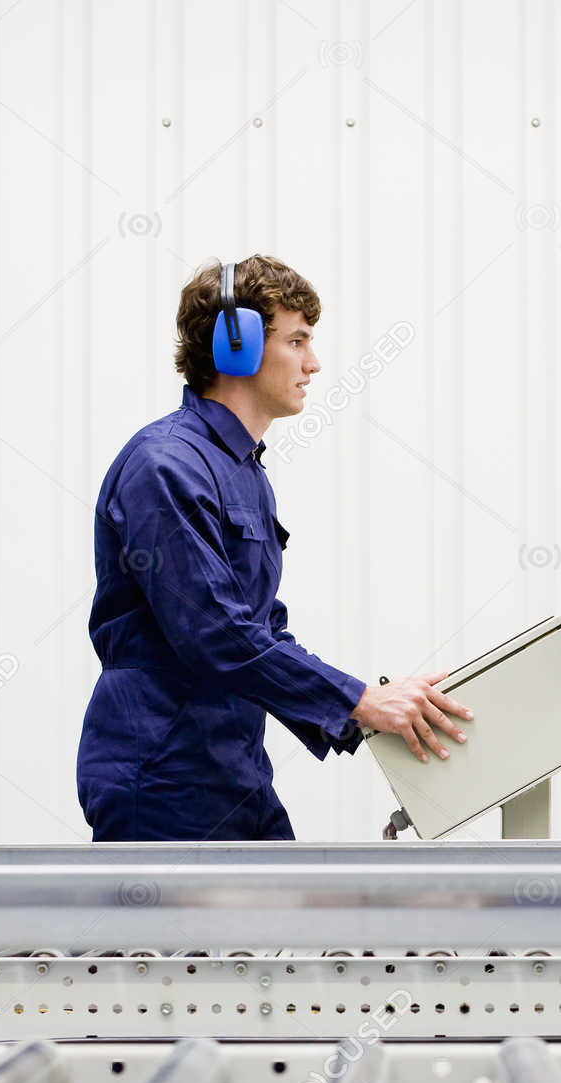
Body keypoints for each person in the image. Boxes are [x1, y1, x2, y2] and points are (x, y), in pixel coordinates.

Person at [76, 253, 472, 841]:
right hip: (164, 773)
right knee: (188, 937)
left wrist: (368, 713)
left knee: (284, 927)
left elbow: (261, 629)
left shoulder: (240, 470)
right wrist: (359, 701)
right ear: (236, 344)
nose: (313, 364)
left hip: (231, 769)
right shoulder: (165, 467)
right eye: (297, 341)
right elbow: (217, 633)